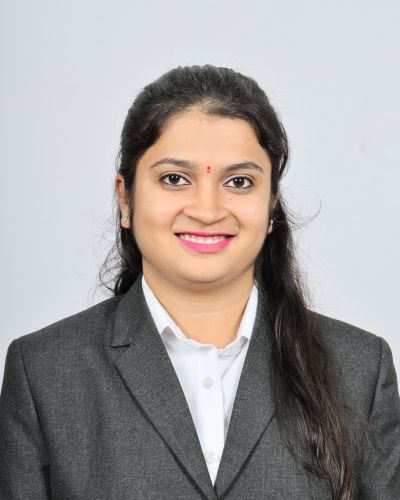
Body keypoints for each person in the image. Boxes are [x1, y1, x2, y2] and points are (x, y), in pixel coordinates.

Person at [0, 64, 399, 500]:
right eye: (174, 179)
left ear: (272, 206)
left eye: (239, 182)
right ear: (125, 198)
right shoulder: (44, 373)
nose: (207, 210)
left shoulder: (359, 369)